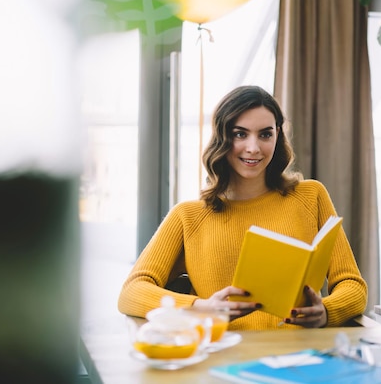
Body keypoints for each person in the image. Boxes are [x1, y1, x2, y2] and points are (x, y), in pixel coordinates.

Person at [118, 85, 367, 330]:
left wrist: (326, 312)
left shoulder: (311, 196)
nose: (253, 148)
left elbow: (353, 285)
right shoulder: (189, 216)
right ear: (222, 138)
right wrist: (200, 307)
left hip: (300, 360)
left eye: (265, 134)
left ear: (277, 135)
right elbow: (131, 292)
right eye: (240, 134)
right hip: (223, 360)